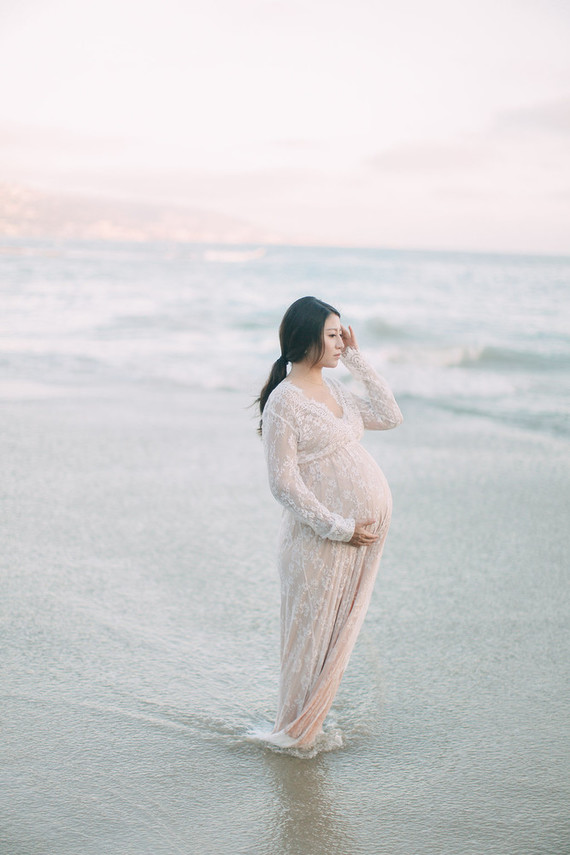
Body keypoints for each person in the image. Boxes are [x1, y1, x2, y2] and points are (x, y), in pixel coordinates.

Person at [256, 295, 403, 750]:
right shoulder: (286, 401)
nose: (341, 343)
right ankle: (293, 740)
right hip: (318, 542)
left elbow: (391, 416)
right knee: (309, 645)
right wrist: (339, 526)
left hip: (353, 543)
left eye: (343, 334)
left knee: (335, 640)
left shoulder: (339, 391)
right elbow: (283, 484)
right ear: (306, 338)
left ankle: (308, 732)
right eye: (333, 335)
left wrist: (358, 359)